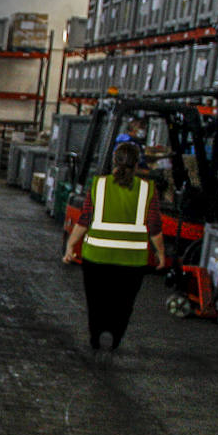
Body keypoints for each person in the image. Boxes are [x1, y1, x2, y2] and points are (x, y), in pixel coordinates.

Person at [62, 141, 167, 352]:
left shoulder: (98, 185)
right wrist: (161, 254)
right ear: (137, 164)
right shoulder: (148, 189)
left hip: (96, 257)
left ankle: (95, 336)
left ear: (114, 162)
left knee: (96, 300)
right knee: (124, 303)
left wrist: (70, 246)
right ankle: (116, 337)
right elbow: (154, 225)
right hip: (133, 261)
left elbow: (85, 220)